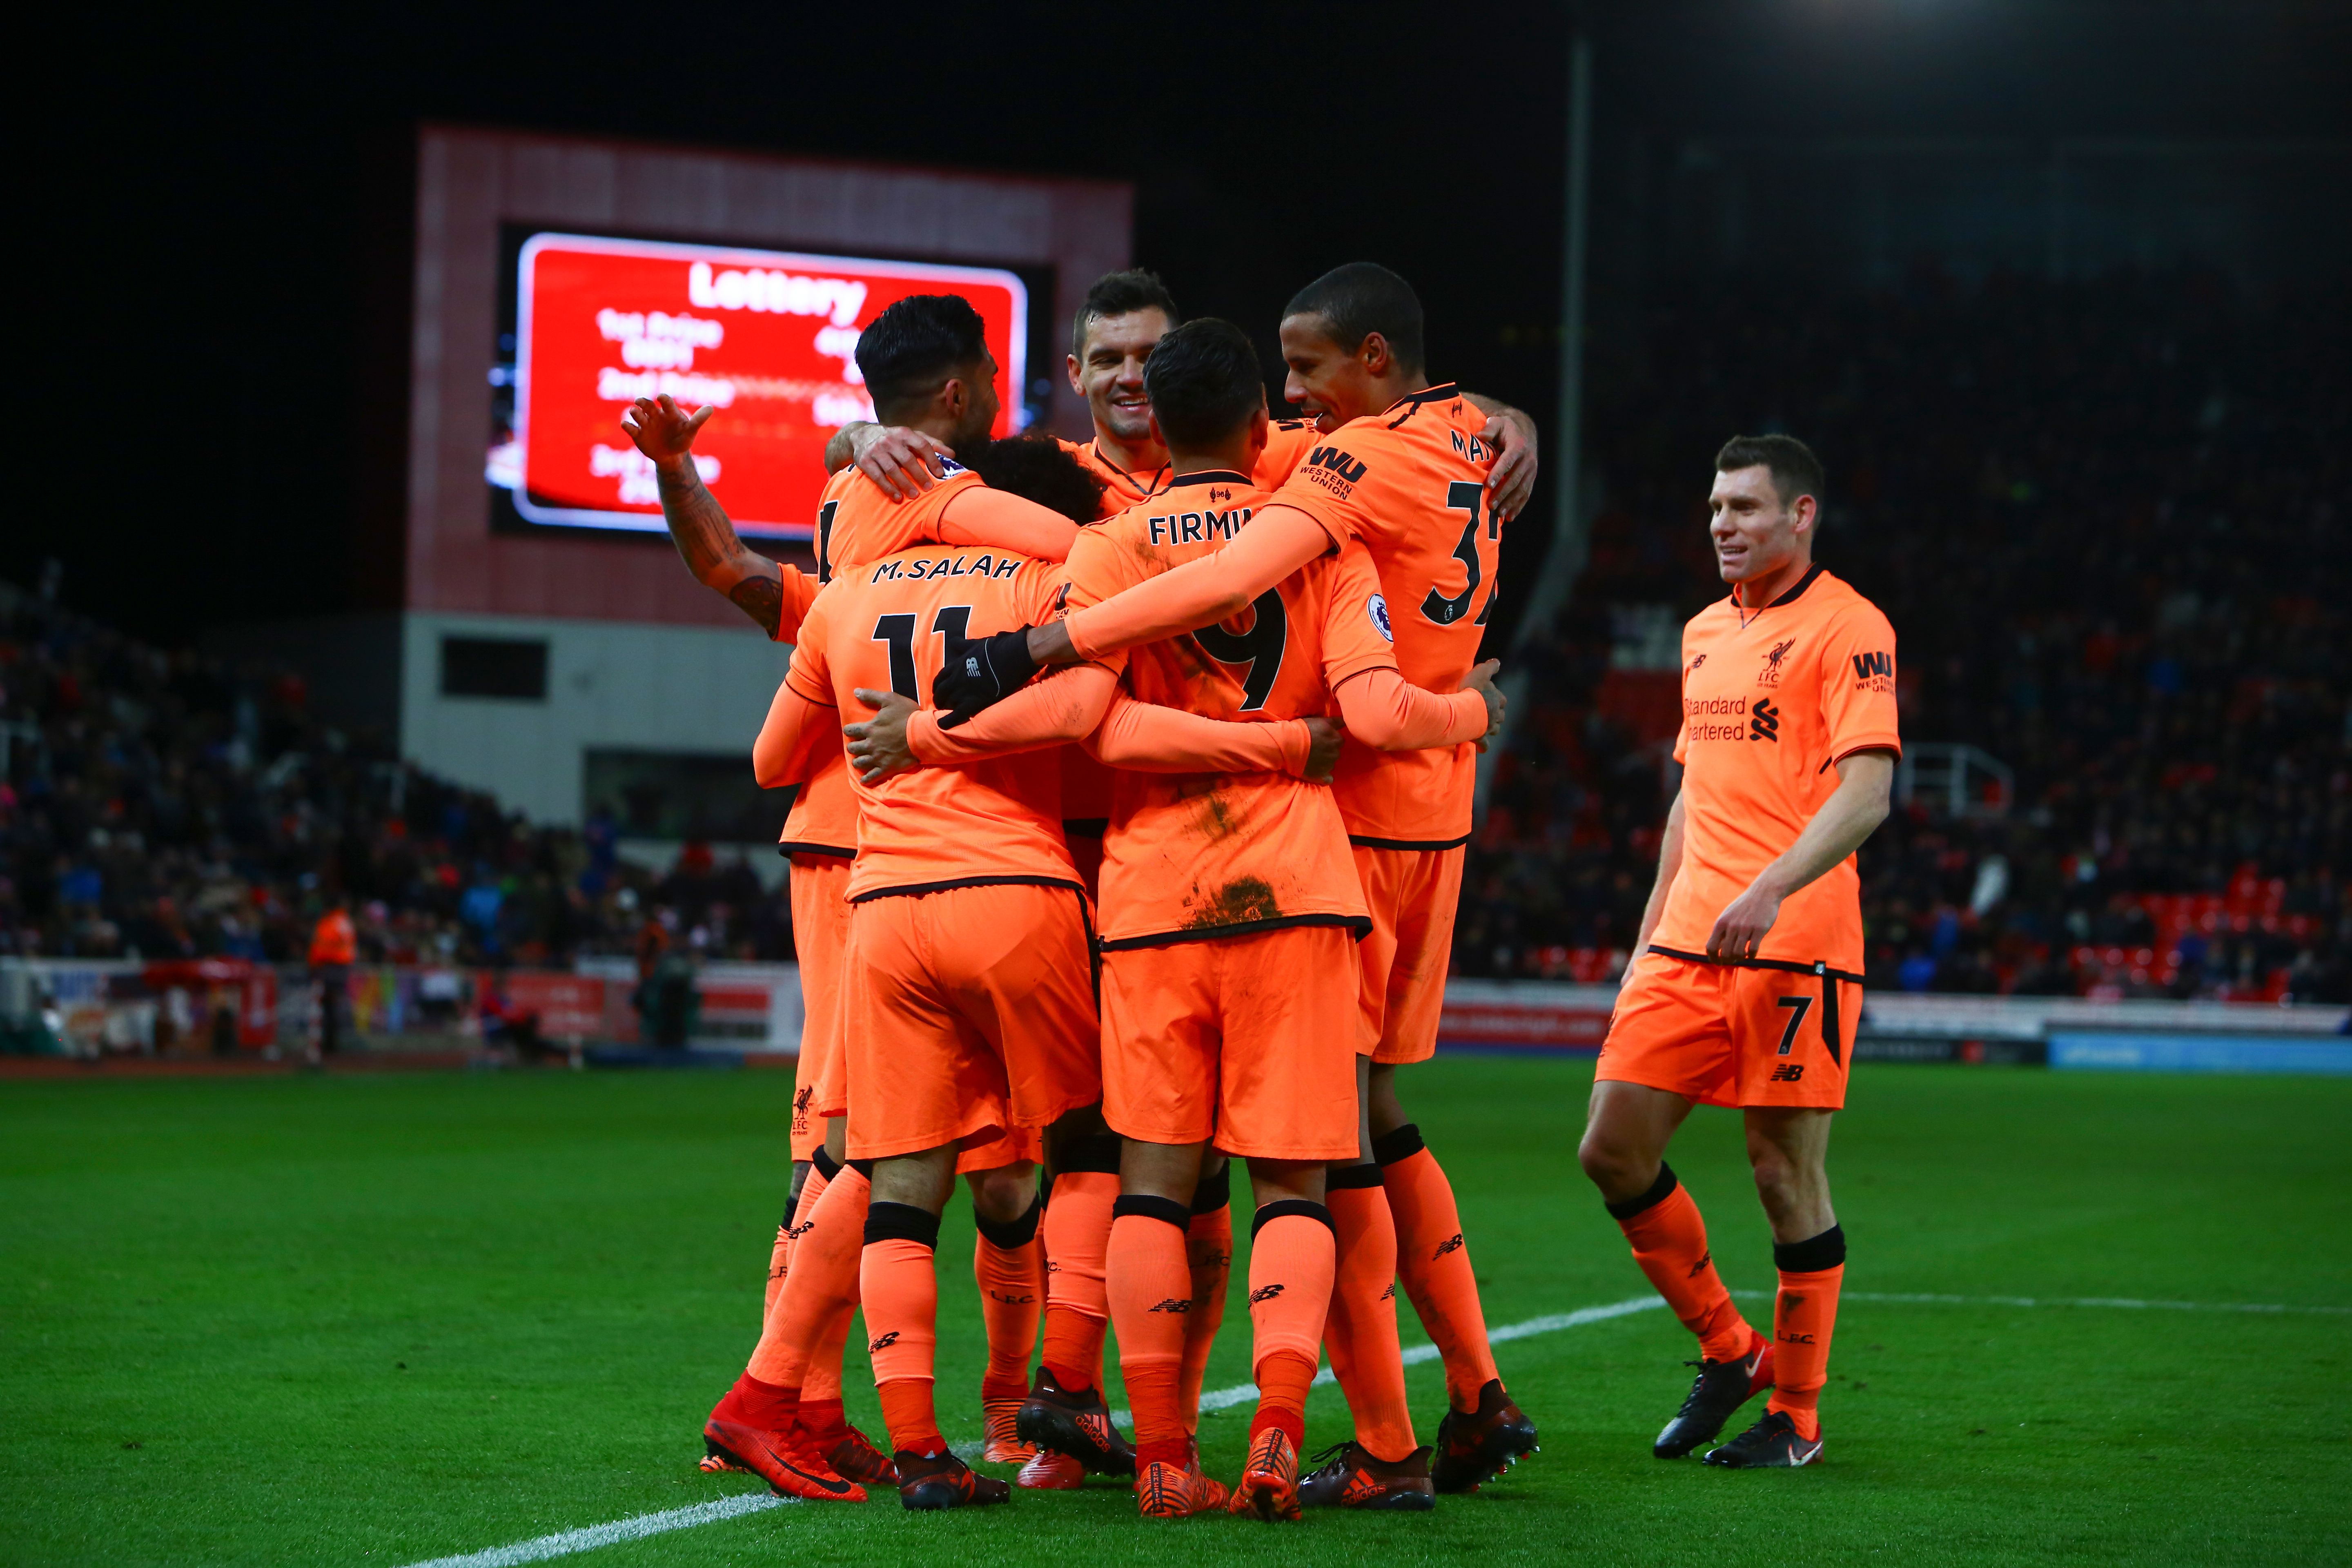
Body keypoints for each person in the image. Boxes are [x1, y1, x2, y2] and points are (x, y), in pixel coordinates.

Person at [853, 318, 1505, 1517]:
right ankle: (1276, 1433)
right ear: (1263, 429)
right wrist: (1472, 712)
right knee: (1294, 1188)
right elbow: (1373, 712)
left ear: (1154, 419)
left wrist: (929, 731)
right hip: (1301, 889)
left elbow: (1094, 725)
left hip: (1153, 897)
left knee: (1151, 1181)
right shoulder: (1321, 544)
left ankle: (1161, 1456)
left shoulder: (1110, 549)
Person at [1577, 434, 1899, 1469]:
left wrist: (1769, 887)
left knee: (1780, 1172)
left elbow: (1866, 792)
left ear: (1800, 516)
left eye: (1744, 508)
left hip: (1795, 939)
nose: (1720, 524)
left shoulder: (1849, 627)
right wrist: (1643, 939)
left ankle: (1795, 1418)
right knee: (1610, 1147)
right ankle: (1727, 1346)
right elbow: (1688, 799)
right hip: (1685, 938)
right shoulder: (1701, 631)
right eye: (1713, 506)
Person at [307, 900, 356, 1057]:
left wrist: (314, 964)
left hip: (330, 967)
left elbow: (322, 947)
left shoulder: (330, 923)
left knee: (327, 1004)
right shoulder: (346, 922)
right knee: (332, 1004)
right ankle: (331, 1041)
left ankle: (329, 1043)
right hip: (342, 967)